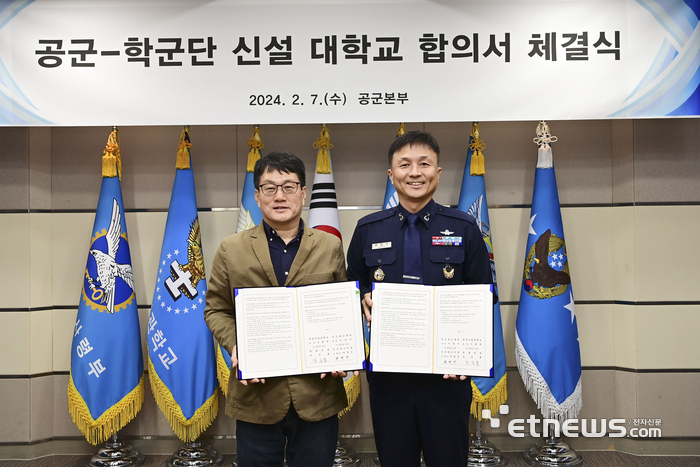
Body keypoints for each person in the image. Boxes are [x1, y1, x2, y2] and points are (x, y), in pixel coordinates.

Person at [346, 131, 494, 467]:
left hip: (447, 377)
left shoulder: (464, 227)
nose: (415, 172)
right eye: (405, 165)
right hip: (389, 378)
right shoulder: (368, 229)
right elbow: (350, 288)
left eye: (424, 164)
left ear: (437, 173)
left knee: (449, 459)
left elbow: (484, 296)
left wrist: (466, 361)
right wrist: (362, 299)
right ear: (391, 175)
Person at [205, 151, 353, 467]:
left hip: (317, 394)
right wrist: (236, 344)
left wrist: (343, 353)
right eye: (270, 188)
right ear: (257, 196)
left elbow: (344, 309)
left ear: (303, 193)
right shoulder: (232, 249)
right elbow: (216, 309)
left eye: (289, 186)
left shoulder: (329, 246)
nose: (280, 196)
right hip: (257, 396)